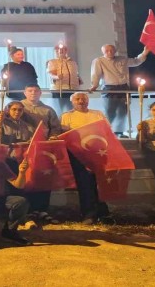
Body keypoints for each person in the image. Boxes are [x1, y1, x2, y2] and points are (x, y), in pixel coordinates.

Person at [59, 92, 113, 224]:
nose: (81, 101)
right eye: (77, 99)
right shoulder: (66, 116)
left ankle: (103, 213)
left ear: (88, 101)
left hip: (97, 152)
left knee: (100, 183)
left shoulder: (97, 114)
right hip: (78, 154)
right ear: (72, 101)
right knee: (85, 183)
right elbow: (65, 134)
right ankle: (89, 213)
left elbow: (107, 130)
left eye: (83, 99)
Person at [18, 84, 62, 224]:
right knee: (26, 178)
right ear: (25, 92)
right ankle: (27, 211)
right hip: (24, 148)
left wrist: (53, 137)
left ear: (40, 93)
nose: (33, 93)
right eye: (30, 90)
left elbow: (55, 128)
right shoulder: (17, 107)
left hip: (43, 148)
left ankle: (42, 209)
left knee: (44, 177)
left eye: (36, 91)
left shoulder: (48, 110)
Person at [89, 44, 149, 135]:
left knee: (123, 112)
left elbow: (136, 61)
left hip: (124, 87)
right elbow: (95, 74)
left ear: (115, 50)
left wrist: (144, 53)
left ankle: (119, 132)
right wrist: (94, 85)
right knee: (109, 111)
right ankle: (106, 132)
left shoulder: (122, 59)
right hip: (109, 88)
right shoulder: (98, 61)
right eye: (107, 50)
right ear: (103, 51)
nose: (110, 52)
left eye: (111, 50)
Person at [46, 44, 81, 112]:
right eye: (58, 50)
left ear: (66, 51)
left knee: (72, 109)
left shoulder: (72, 62)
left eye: (62, 50)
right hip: (59, 89)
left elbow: (75, 74)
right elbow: (51, 74)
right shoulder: (52, 62)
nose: (60, 51)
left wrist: (78, 80)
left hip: (72, 89)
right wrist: (57, 77)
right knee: (59, 110)